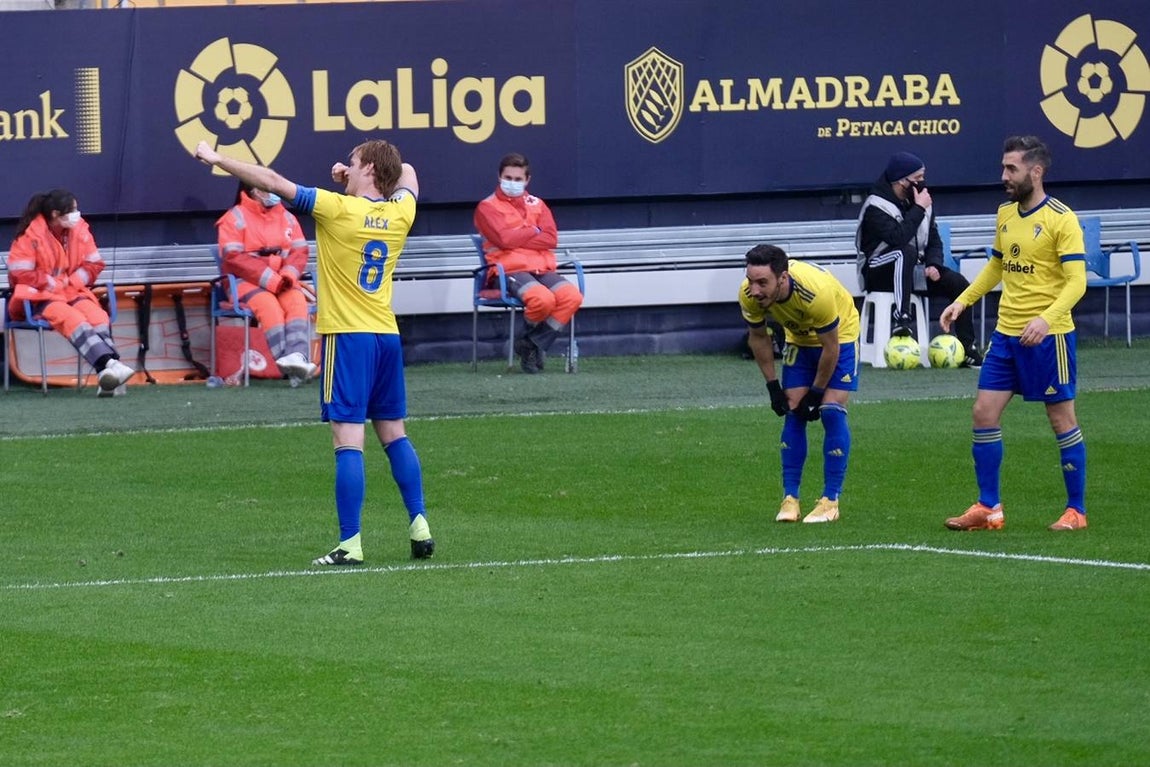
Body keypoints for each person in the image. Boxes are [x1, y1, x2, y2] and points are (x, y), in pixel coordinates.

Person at [193, 138, 435, 563]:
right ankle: (419, 524)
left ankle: (350, 543)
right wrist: (359, 176)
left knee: (348, 441)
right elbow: (410, 171)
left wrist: (217, 159)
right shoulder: (401, 212)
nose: (345, 167)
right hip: (386, 336)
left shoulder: (337, 208)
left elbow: (270, 180)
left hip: (347, 337)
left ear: (371, 172)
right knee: (395, 435)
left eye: (354, 163)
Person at [940, 135, 1088, 532]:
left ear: (1035, 172)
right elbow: (996, 267)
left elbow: (1077, 283)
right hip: (1006, 336)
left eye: (1012, 168)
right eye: (1004, 167)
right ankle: (989, 507)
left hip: (1049, 337)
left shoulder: (1061, 218)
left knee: (1061, 420)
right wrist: (964, 300)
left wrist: (1045, 318)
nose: (1004, 175)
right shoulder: (1005, 213)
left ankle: (1076, 510)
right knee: (983, 413)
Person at [740, 244, 860, 524]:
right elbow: (758, 338)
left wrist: (816, 393)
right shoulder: (748, 296)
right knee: (793, 410)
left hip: (839, 336)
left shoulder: (815, 293)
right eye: (750, 280)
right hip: (798, 339)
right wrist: (773, 386)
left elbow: (830, 348)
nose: (754, 290)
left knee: (830, 409)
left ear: (782, 278)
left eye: (762, 283)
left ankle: (831, 500)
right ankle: (790, 498)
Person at [856, 151, 983, 365]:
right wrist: (918, 208)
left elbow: (934, 240)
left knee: (958, 284)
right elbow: (898, 237)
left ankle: (967, 348)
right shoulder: (876, 205)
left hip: (912, 269)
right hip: (878, 271)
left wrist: (933, 264)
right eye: (916, 179)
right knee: (903, 252)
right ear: (900, 181)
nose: (921, 184)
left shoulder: (922, 202)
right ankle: (901, 318)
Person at [6, 189, 135, 395]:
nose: (77, 213)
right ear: (56, 214)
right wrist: (52, 283)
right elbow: (19, 272)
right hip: (39, 297)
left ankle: (107, 375)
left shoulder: (80, 229)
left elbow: (94, 264)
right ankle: (110, 366)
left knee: (98, 316)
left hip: (71, 292)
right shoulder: (31, 235)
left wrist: (71, 281)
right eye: (72, 209)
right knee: (73, 319)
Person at [474, 152, 583, 373]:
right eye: (508, 178)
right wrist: (534, 231)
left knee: (572, 297)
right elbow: (503, 240)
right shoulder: (487, 207)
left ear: (527, 180)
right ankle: (533, 347)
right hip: (507, 270)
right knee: (542, 299)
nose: (512, 183)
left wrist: (518, 237)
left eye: (518, 179)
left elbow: (551, 238)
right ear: (499, 176)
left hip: (541, 268)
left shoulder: (538, 204)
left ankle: (530, 344)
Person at [215, 182, 316, 381]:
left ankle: (299, 358)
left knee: (297, 303)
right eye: (267, 189)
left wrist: (287, 276)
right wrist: (272, 280)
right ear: (254, 191)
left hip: (283, 280)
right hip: (245, 283)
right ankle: (288, 367)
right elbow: (234, 258)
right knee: (270, 308)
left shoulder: (287, 217)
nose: (273, 193)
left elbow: (300, 251)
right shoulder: (234, 218)